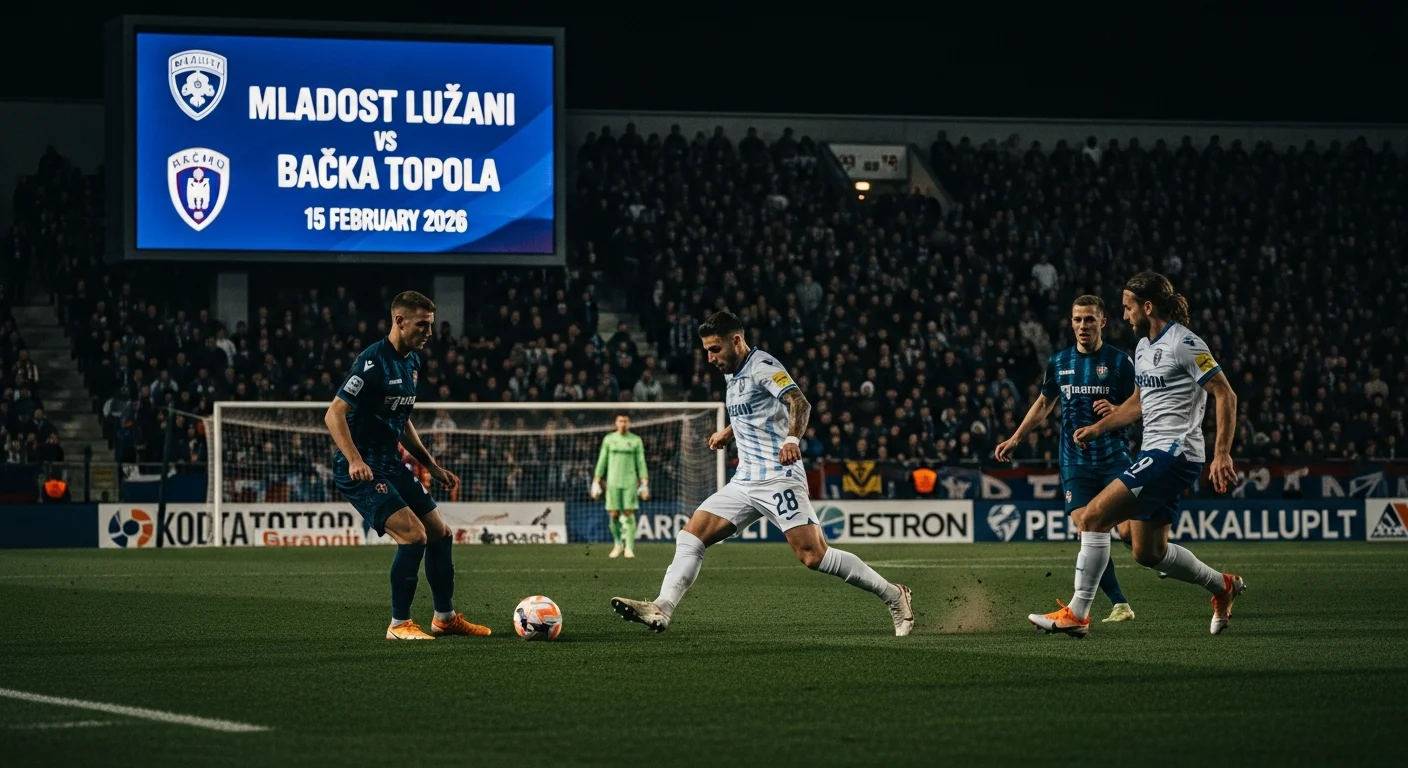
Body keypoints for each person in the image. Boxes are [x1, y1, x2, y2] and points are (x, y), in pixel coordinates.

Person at [610, 311, 914, 636]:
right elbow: (755, 409)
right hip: (744, 480)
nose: (710, 358)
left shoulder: (762, 367)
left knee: (813, 556)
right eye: (707, 350)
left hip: (778, 476)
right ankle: (662, 608)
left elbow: (799, 402)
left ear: (736, 341)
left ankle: (895, 595)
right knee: (690, 537)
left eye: (715, 349)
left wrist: (792, 439)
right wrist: (729, 432)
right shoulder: (731, 370)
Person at [1028, 272, 1244, 637]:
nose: (1125, 316)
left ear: (1147, 306)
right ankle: (1222, 586)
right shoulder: (1143, 347)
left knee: (1093, 517)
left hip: (1174, 453)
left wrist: (1221, 454)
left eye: (1128, 308)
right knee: (1147, 552)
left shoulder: (1185, 343)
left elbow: (1225, 393)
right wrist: (1100, 427)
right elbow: (1139, 401)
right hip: (1156, 451)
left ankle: (1078, 614)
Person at [325, 290, 490, 641]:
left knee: (440, 534)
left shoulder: (412, 362)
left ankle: (444, 618)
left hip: (391, 463)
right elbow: (333, 413)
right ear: (399, 321)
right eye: (422, 325)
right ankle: (399, 625)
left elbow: (402, 419)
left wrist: (431, 464)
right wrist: (354, 459)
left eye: (430, 325)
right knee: (413, 536)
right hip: (362, 468)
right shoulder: (371, 363)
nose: (429, 332)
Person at [995, 295, 1137, 623]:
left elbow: (1141, 404)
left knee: (1130, 535)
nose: (1083, 326)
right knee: (1088, 527)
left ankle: (1158, 556)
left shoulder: (1119, 362)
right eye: (1077, 319)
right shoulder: (1059, 362)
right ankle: (1119, 604)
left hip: (1114, 458)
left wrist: (1118, 410)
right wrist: (1016, 437)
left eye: (1089, 319)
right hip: (1075, 462)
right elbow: (1045, 403)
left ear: (1103, 321)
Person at [592, 413, 649, 559]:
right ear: (615, 423)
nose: (623, 423)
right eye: (620, 421)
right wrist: (596, 480)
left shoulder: (635, 440)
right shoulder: (609, 439)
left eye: (625, 421)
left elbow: (641, 461)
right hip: (612, 482)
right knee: (614, 513)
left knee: (629, 513)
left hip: (629, 481)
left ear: (629, 423)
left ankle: (629, 547)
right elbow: (602, 460)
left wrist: (644, 482)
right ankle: (618, 543)